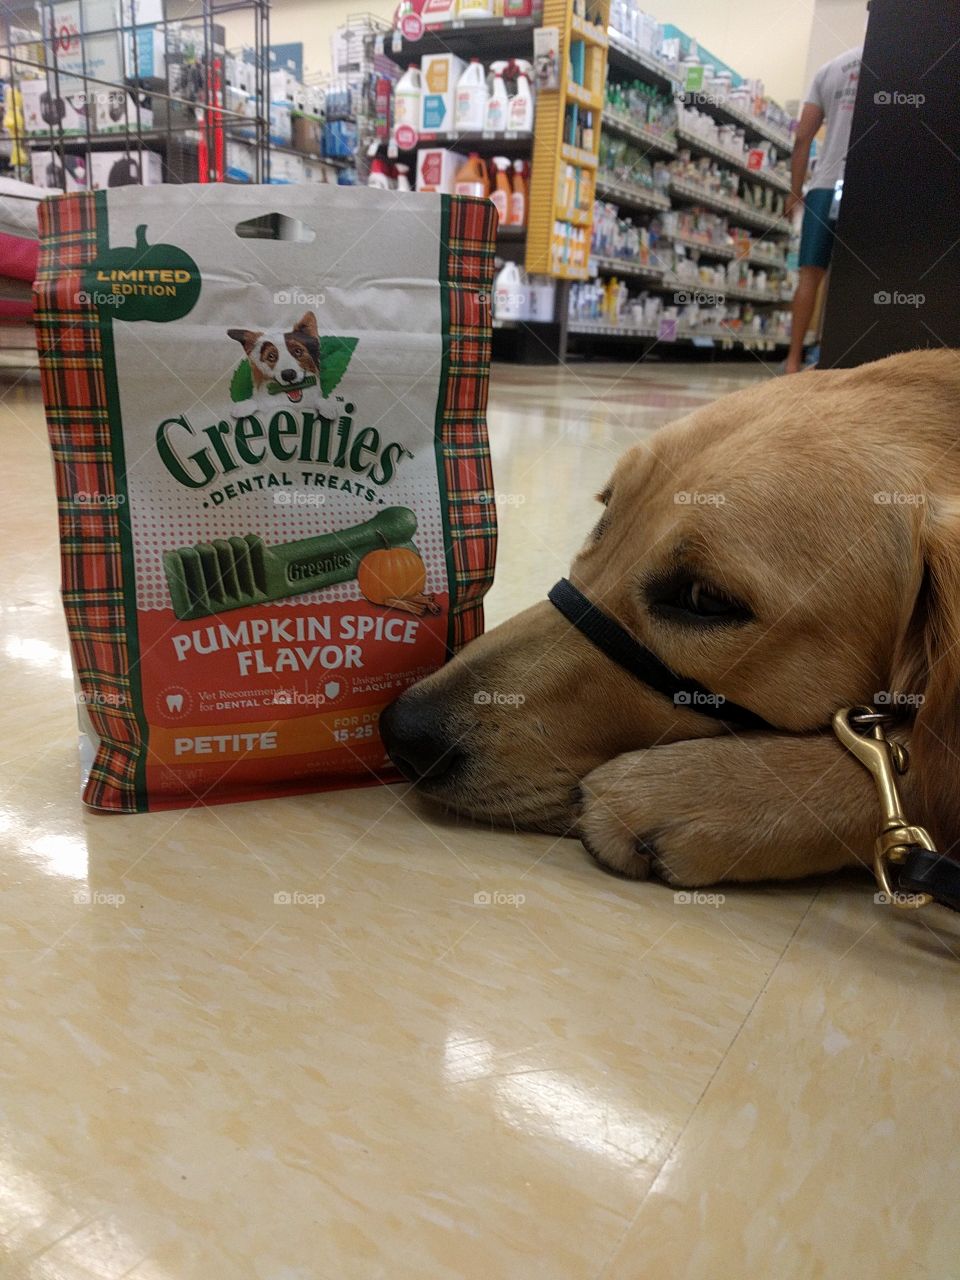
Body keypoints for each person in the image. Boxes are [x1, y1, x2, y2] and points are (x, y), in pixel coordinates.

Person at [785, 45, 863, 373]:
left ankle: (792, 362)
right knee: (849, 277)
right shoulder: (891, 64)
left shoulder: (830, 68)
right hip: (864, 187)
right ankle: (833, 357)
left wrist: (794, 191)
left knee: (810, 274)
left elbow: (803, 138)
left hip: (824, 183)